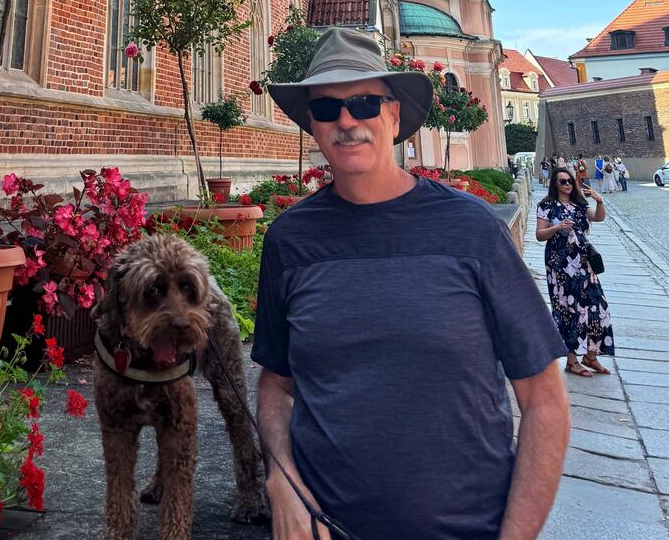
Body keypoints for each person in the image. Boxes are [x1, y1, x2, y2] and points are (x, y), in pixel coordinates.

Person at [255, 27, 569, 540]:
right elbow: (276, 384)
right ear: (312, 125)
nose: (347, 121)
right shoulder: (290, 240)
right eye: (328, 109)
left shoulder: (472, 230)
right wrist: (282, 480)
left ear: (394, 115)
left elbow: (544, 400)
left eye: (364, 103)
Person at [536, 167, 615, 377]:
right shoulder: (547, 206)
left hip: (584, 262)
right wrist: (556, 227)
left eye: (570, 181)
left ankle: (591, 355)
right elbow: (539, 235)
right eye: (562, 181)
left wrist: (599, 201)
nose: (567, 184)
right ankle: (572, 361)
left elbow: (598, 218)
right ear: (555, 184)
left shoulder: (579, 205)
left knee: (598, 305)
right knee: (569, 310)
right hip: (560, 265)